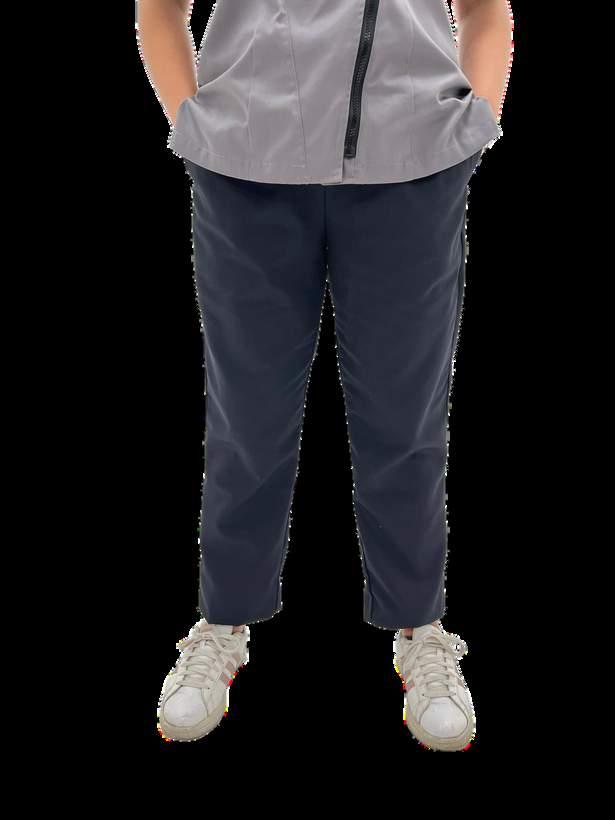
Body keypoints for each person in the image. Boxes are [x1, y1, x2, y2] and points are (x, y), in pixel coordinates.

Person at [137, 0, 512, 750]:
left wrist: (472, 123)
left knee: (405, 416)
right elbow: (159, 9)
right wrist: (193, 122)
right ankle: (223, 621)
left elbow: (484, 10)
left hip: (411, 168)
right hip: (245, 167)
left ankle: (420, 629)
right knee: (246, 417)